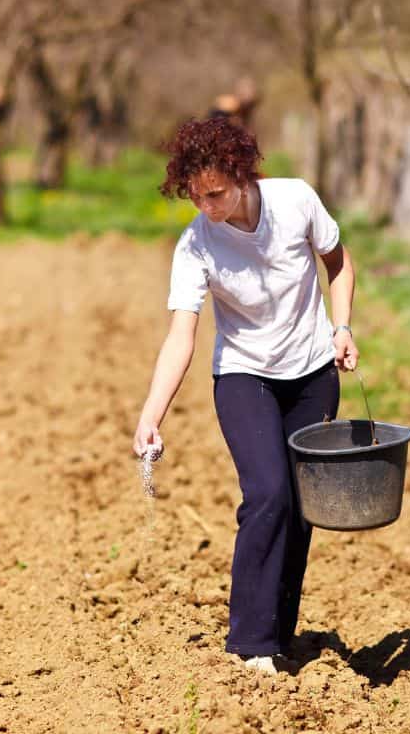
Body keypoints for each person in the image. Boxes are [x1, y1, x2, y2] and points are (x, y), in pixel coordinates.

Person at [132, 116, 359, 675]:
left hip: (311, 372)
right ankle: (249, 643)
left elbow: (340, 263)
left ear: (240, 175)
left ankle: (279, 633)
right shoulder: (195, 245)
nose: (207, 207)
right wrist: (151, 414)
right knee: (267, 493)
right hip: (243, 376)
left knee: (301, 509)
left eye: (215, 194)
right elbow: (181, 334)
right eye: (195, 196)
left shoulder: (297, 201)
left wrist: (343, 326)